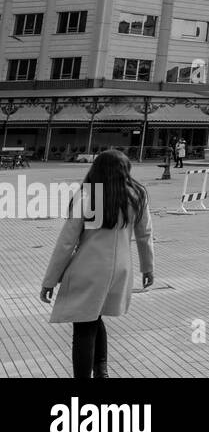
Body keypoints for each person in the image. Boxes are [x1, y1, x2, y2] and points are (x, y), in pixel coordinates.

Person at [40, 149, 155, 378]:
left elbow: (66, 243)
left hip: (88, 270)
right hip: (120, 271)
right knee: (95, 316)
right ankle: (101, 371)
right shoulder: (137, 197)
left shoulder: (87, 197)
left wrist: (50, 281)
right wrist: (148, 267)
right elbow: (145, 235)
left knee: (83, 327)